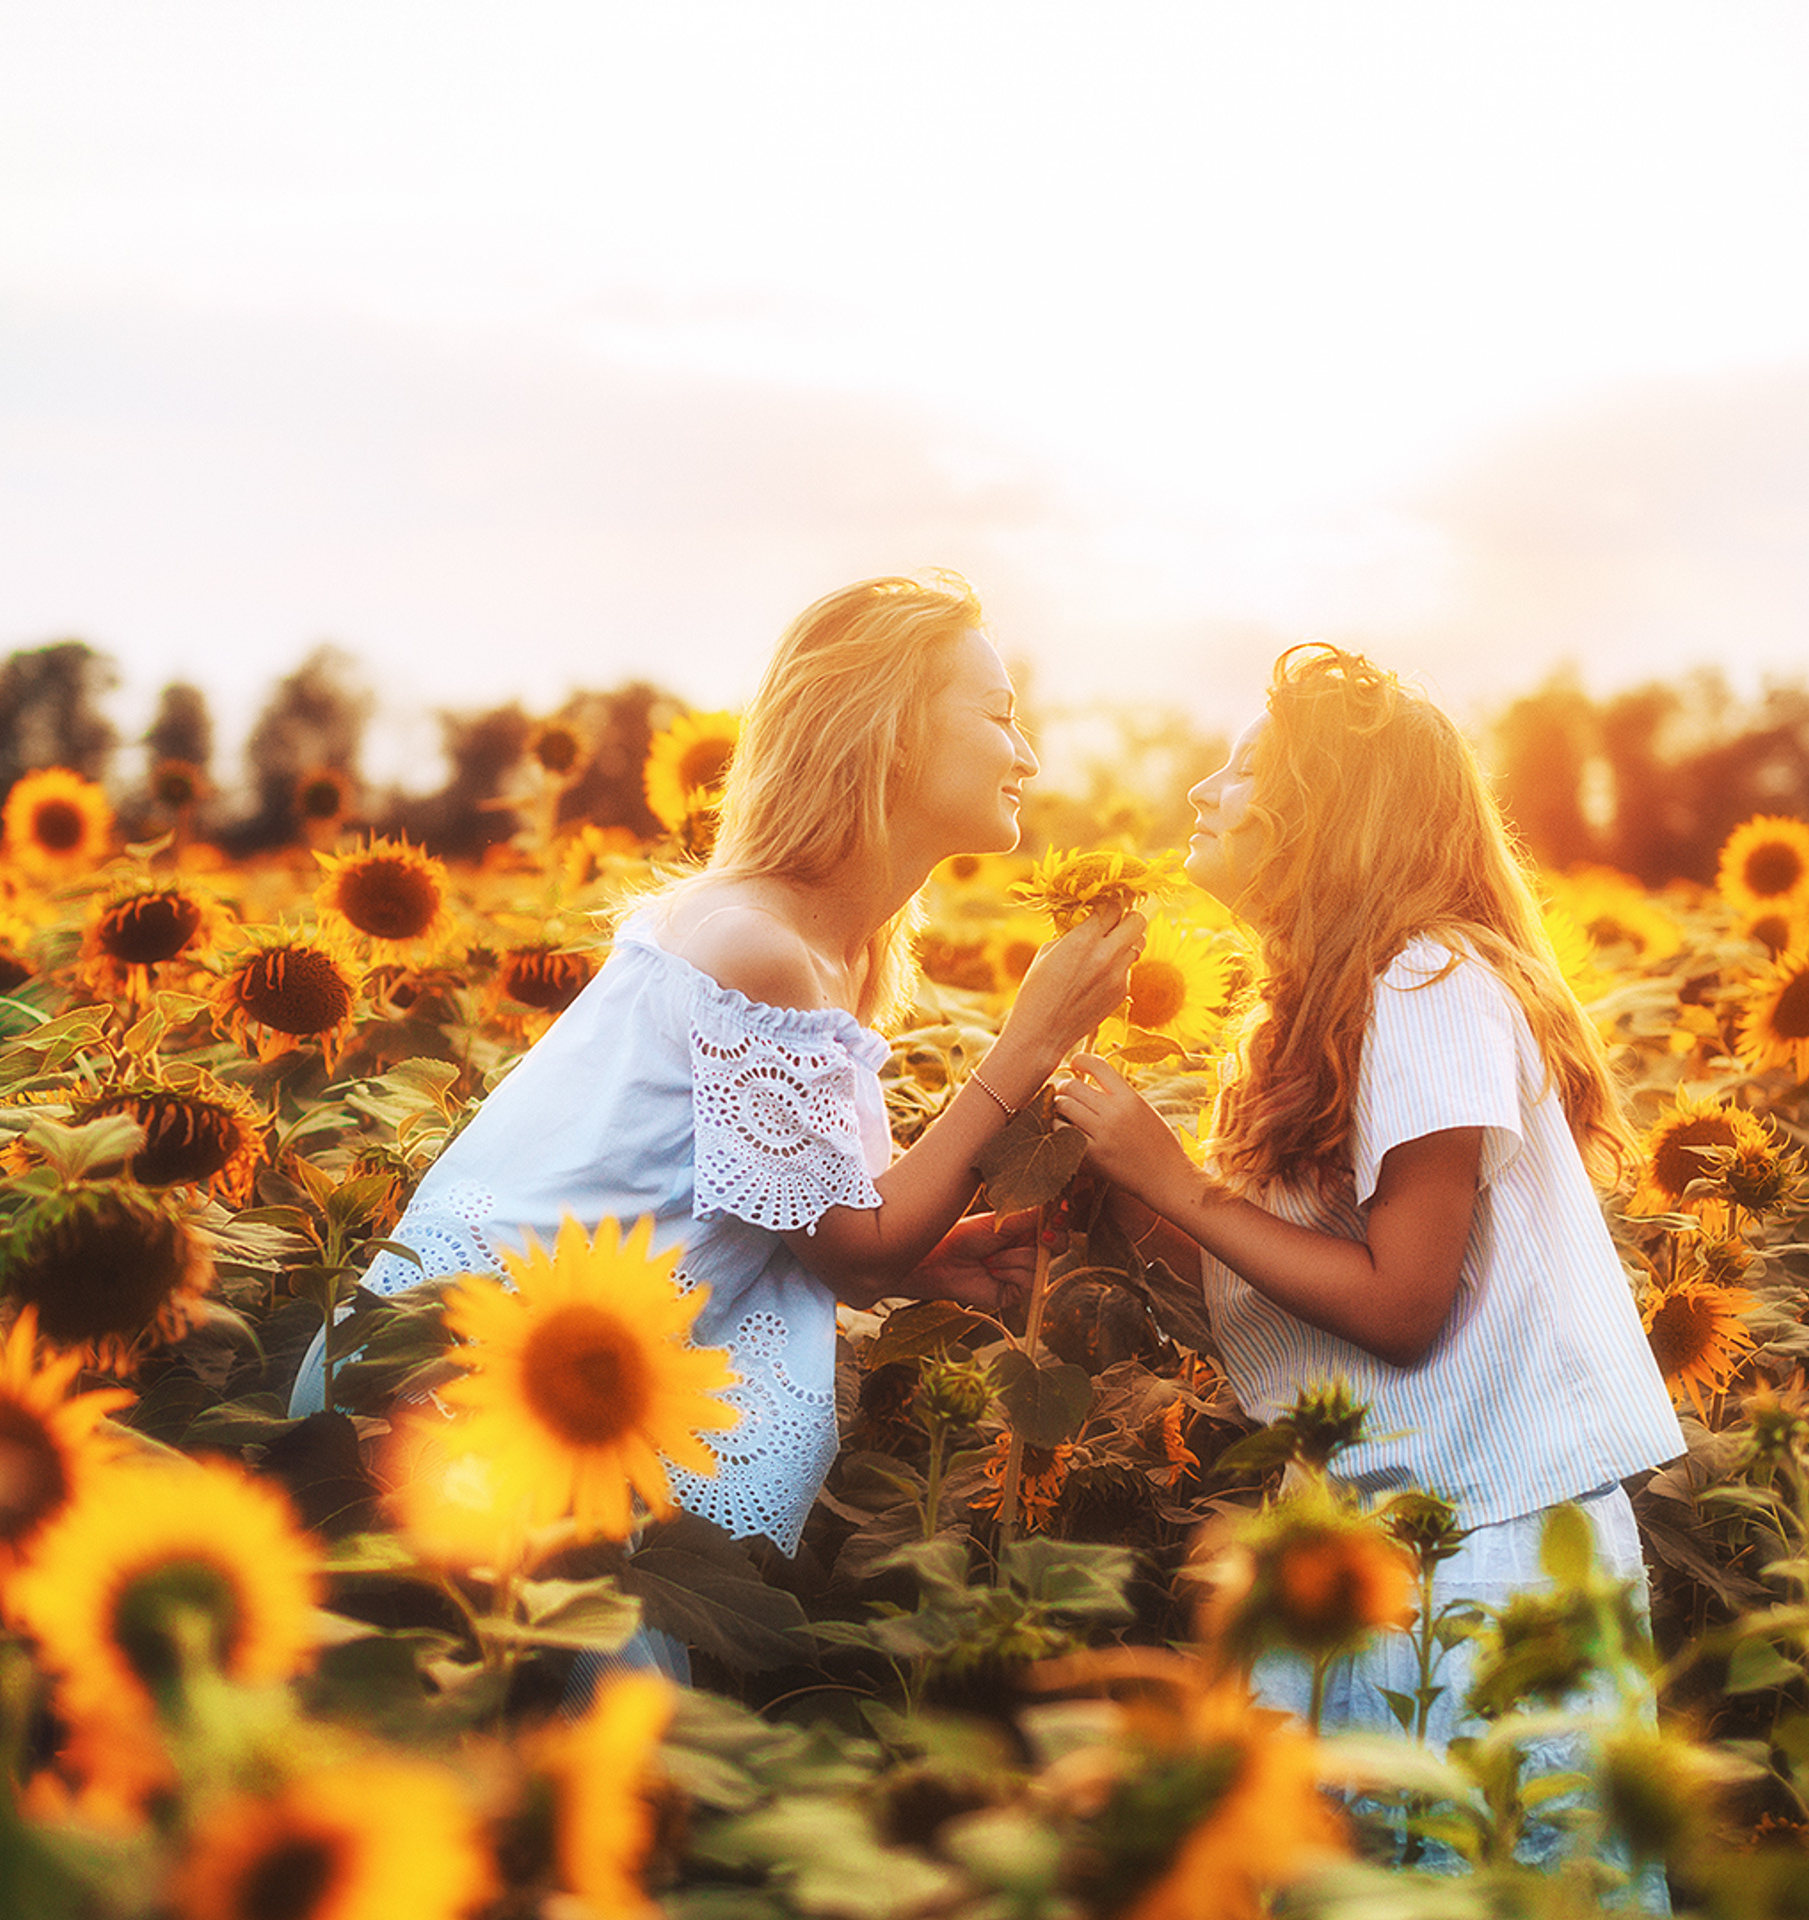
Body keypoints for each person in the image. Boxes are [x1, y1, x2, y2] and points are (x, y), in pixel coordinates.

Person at [295, 574, 1140, 1571]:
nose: (1028, 753)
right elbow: (856, 1250)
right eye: (1000, 716)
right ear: (892, 733)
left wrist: (930, 1256)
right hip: (460, 1403)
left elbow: (809, 1209)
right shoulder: (757, 949)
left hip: (552, 1403)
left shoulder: (828, 948)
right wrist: (1030, 1042)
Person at [1053, 645, 1683, 1823]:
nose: (1202, 792)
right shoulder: (1319, 1009)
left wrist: (1177, 1185)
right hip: (1374, 1539)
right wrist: (1110, 1178)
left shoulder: (1427, 981)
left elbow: (1400, 1305)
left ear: (1328, 820)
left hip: (1486, 1558)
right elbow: (1281, 1275)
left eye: (1244, 774)